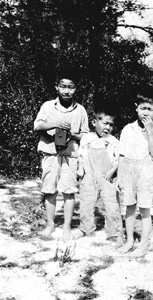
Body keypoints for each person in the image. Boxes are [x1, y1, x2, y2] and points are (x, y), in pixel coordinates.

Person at [34, 70, 89, 241]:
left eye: (71, 87)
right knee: (50, 190)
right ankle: (50, 224)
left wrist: (72, 134)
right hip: (50, 154)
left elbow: (86, 136)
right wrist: (56, 124)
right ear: (56, 87)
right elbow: (37, 126)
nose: (66, 91)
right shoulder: (48, 106)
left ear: (76, 89)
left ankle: (66, 226)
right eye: (63, 86)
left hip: (70, 155)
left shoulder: (80, 110)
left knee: (69, 191)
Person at [117, 86, 153, 258]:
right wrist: (120, 178)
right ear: (136, 108)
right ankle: (130, 240)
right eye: (143, 108)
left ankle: (144, 244)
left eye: (150, 109)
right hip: (128, 169)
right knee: (129, 207)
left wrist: (150, 131)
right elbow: (122, 155)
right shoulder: (127, 129)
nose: (146, 113)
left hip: (147, 170)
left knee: (145, 209)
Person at [74, 100, 123, 247]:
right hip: (89, 174)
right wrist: (80, 167)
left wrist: (112, 171)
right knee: (86, 202)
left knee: (112, 204)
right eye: (105, 123)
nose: (108, 127)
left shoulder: (114, 142)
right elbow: (81, 154)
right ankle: (85, 228)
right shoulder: (87, 139)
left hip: (107, 176)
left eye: (111, 125)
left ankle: (114, 232)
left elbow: (120, 159)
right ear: (94, 122)